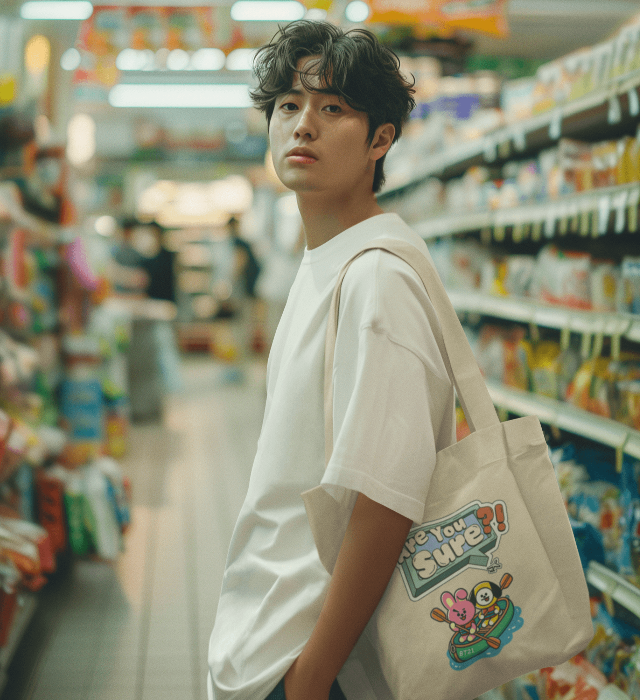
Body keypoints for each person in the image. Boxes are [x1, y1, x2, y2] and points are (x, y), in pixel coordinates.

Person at [208, 20, 457, 700]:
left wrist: (310, 678)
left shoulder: (376, 280)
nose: (303, 125)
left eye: (333, 108)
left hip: (321, 661)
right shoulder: (325, 264)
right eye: (288, 105)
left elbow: (387, 498)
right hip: (276, 638)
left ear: (381, 139)